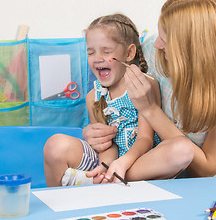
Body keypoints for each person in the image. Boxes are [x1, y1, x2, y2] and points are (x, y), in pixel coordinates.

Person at [82, 0, 216, 178]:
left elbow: (207, 168)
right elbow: (117, 105)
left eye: (165, 40)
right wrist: (94, 132)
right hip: (153, 176)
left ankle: (113, 181)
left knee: (180, 150)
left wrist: (151, 110)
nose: (156, 44)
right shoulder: (153, 52)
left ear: (191, 49)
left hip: (206, 185)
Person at [43, 13, 193, 187]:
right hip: (108, 162)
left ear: (129, 53)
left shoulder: (143, 86)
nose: (97, 58)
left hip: (140, 163)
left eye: (106, 51)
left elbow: (145, 139)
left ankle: (111, 181)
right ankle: (102, 183)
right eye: (90, 52)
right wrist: (105, 166)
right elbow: (106, 144)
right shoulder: (93, 96)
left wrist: (122, 164)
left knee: (183, 149)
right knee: (55, 145)